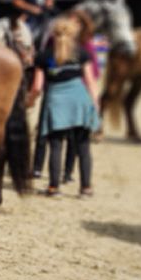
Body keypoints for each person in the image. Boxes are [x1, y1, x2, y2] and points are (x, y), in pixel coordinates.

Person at [32, 17, 99, 198]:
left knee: (55, 146)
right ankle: (86, 188)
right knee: (83, 147)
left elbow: (37, 87)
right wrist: (96, 106)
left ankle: (54, 188)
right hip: (80, 100)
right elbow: (91, 82)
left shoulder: (44, 56)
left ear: (53, 34)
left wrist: (29, 101)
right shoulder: (82, 53)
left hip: (56, 101)